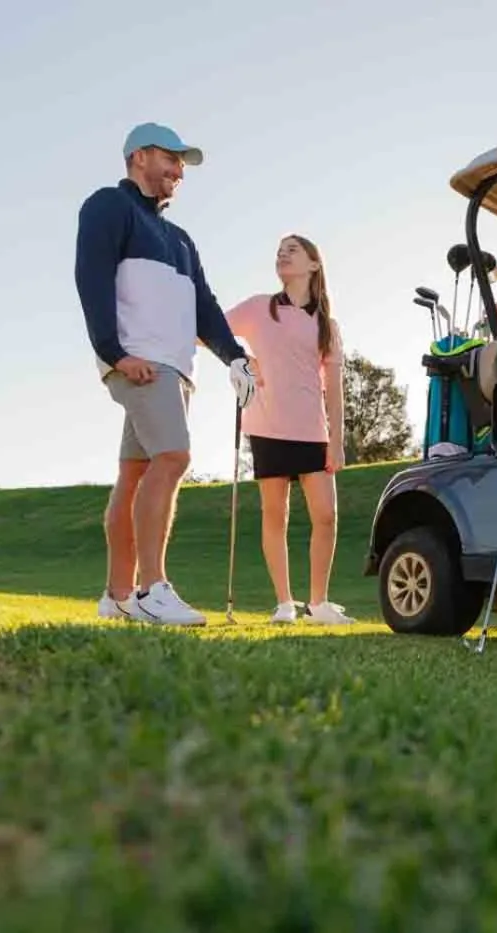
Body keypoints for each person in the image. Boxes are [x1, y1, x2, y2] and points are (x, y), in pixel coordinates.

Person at [75, 122, 258, 626]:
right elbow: (89, 276)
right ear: (139, 156)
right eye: (171, 159)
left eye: (182, 163)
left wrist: (235, 357)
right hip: (139, 362)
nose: (179, 170)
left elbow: (205, 305)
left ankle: (116, 597)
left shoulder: (180, 240)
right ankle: (152, 590)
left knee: (135, 473)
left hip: (175, 368)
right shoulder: (108, 207)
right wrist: (112, 352)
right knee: (174, 457)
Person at [225, 235, 352, 625]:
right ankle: (284, 602)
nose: (282, 253)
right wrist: (240, 360)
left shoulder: (326, 325)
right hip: (268, 425)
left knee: (326, 516)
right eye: (279, 249)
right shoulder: (259, 307)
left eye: (292, 249)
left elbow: (334, 388)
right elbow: (208, 330)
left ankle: (318, 603)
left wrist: (337, 440)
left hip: (312, 430)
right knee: (274, 514)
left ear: (314, 265)